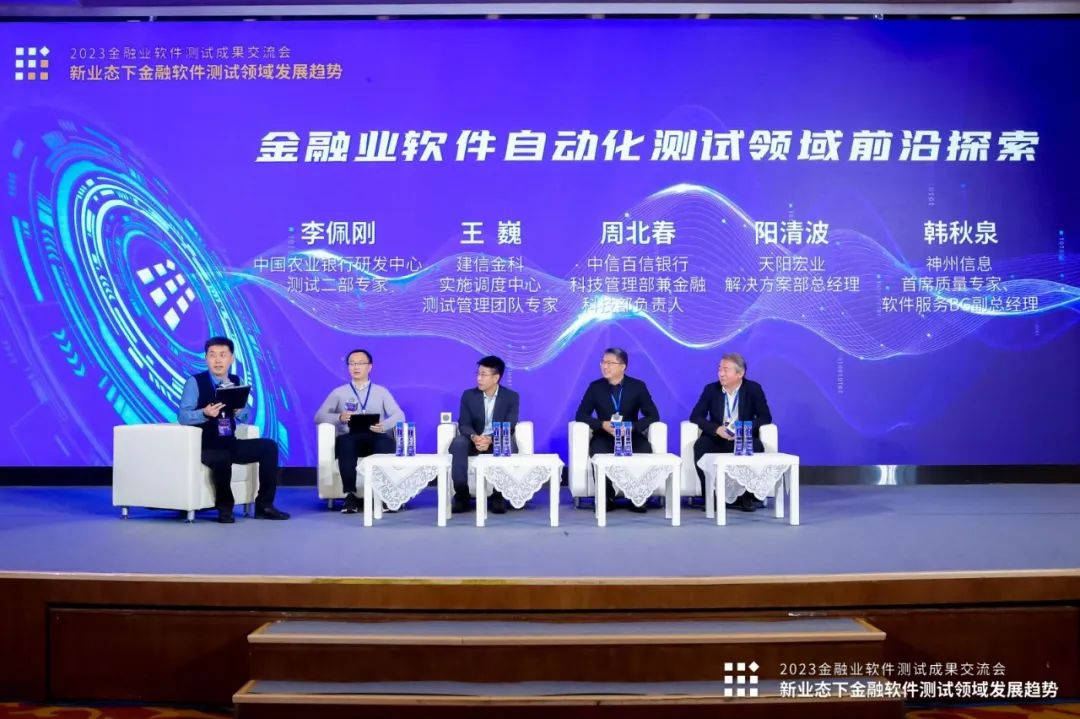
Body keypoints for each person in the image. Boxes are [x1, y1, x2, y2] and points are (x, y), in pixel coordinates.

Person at [177, 337, 290, 523]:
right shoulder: (195, 382)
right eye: (212, 355)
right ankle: (225, 509)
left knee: (269, 447)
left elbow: (245, 416)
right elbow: (183, 416)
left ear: (231, 359)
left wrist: (240, 411)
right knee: (222, 458)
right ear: (206, 358)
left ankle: (264, 505)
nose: (217, 360)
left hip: (230, 442)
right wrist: (204, 413)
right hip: (206, 446)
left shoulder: (236, 381)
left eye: (223, 355)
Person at [314, 349, 405, 514]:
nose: (356, 367)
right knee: (346, 443)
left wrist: (384, 425)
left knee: (386, 443)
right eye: (352, 364)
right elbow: (319, 416)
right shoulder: (338, 393)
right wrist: (339, 417)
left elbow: (399, 415)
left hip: (376, 436)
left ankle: (385, 495)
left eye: (360, 363)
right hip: (350, 437)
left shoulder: (381, 392)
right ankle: (350, 495)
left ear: (369, 367)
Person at [574, 347, 659, 513]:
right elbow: (581, 415)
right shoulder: (595, 387)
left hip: (630, 435)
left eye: (610, 363)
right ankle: (606, 497)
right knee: (598, 449)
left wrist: (632, 427)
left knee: (644, 448)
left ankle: (638, 497)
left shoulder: (638, 386)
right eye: (603, 362)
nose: (605, 366)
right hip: (605, 435)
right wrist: (602, 424)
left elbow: (653, 415)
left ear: (623, 366)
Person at [689, 352, 773, 511]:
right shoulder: (711, 389)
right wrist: (716, 429)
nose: (721, 373)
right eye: (719, 369)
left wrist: (743, 428)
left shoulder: (753, 389)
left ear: (740, 373)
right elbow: (695, 416)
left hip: (742, 437)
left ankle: (747, 497)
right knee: (700, 446)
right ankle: (710, 497)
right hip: (717, 437)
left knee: (757, 446)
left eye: (725, 370)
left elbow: (765, 417)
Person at [449, 355, 519, 515]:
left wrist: (491, 439)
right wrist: (475, 437)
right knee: (458, 443)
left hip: (497, 440)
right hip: (473, 440)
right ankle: (462, 496)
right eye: (478, 374)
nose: (478, 378)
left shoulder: (511, 397)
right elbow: (464, 424)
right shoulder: (468, 395)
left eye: (483, 375)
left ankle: (498, 496)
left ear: (496, 378)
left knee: (510, 444)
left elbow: (510, 424)